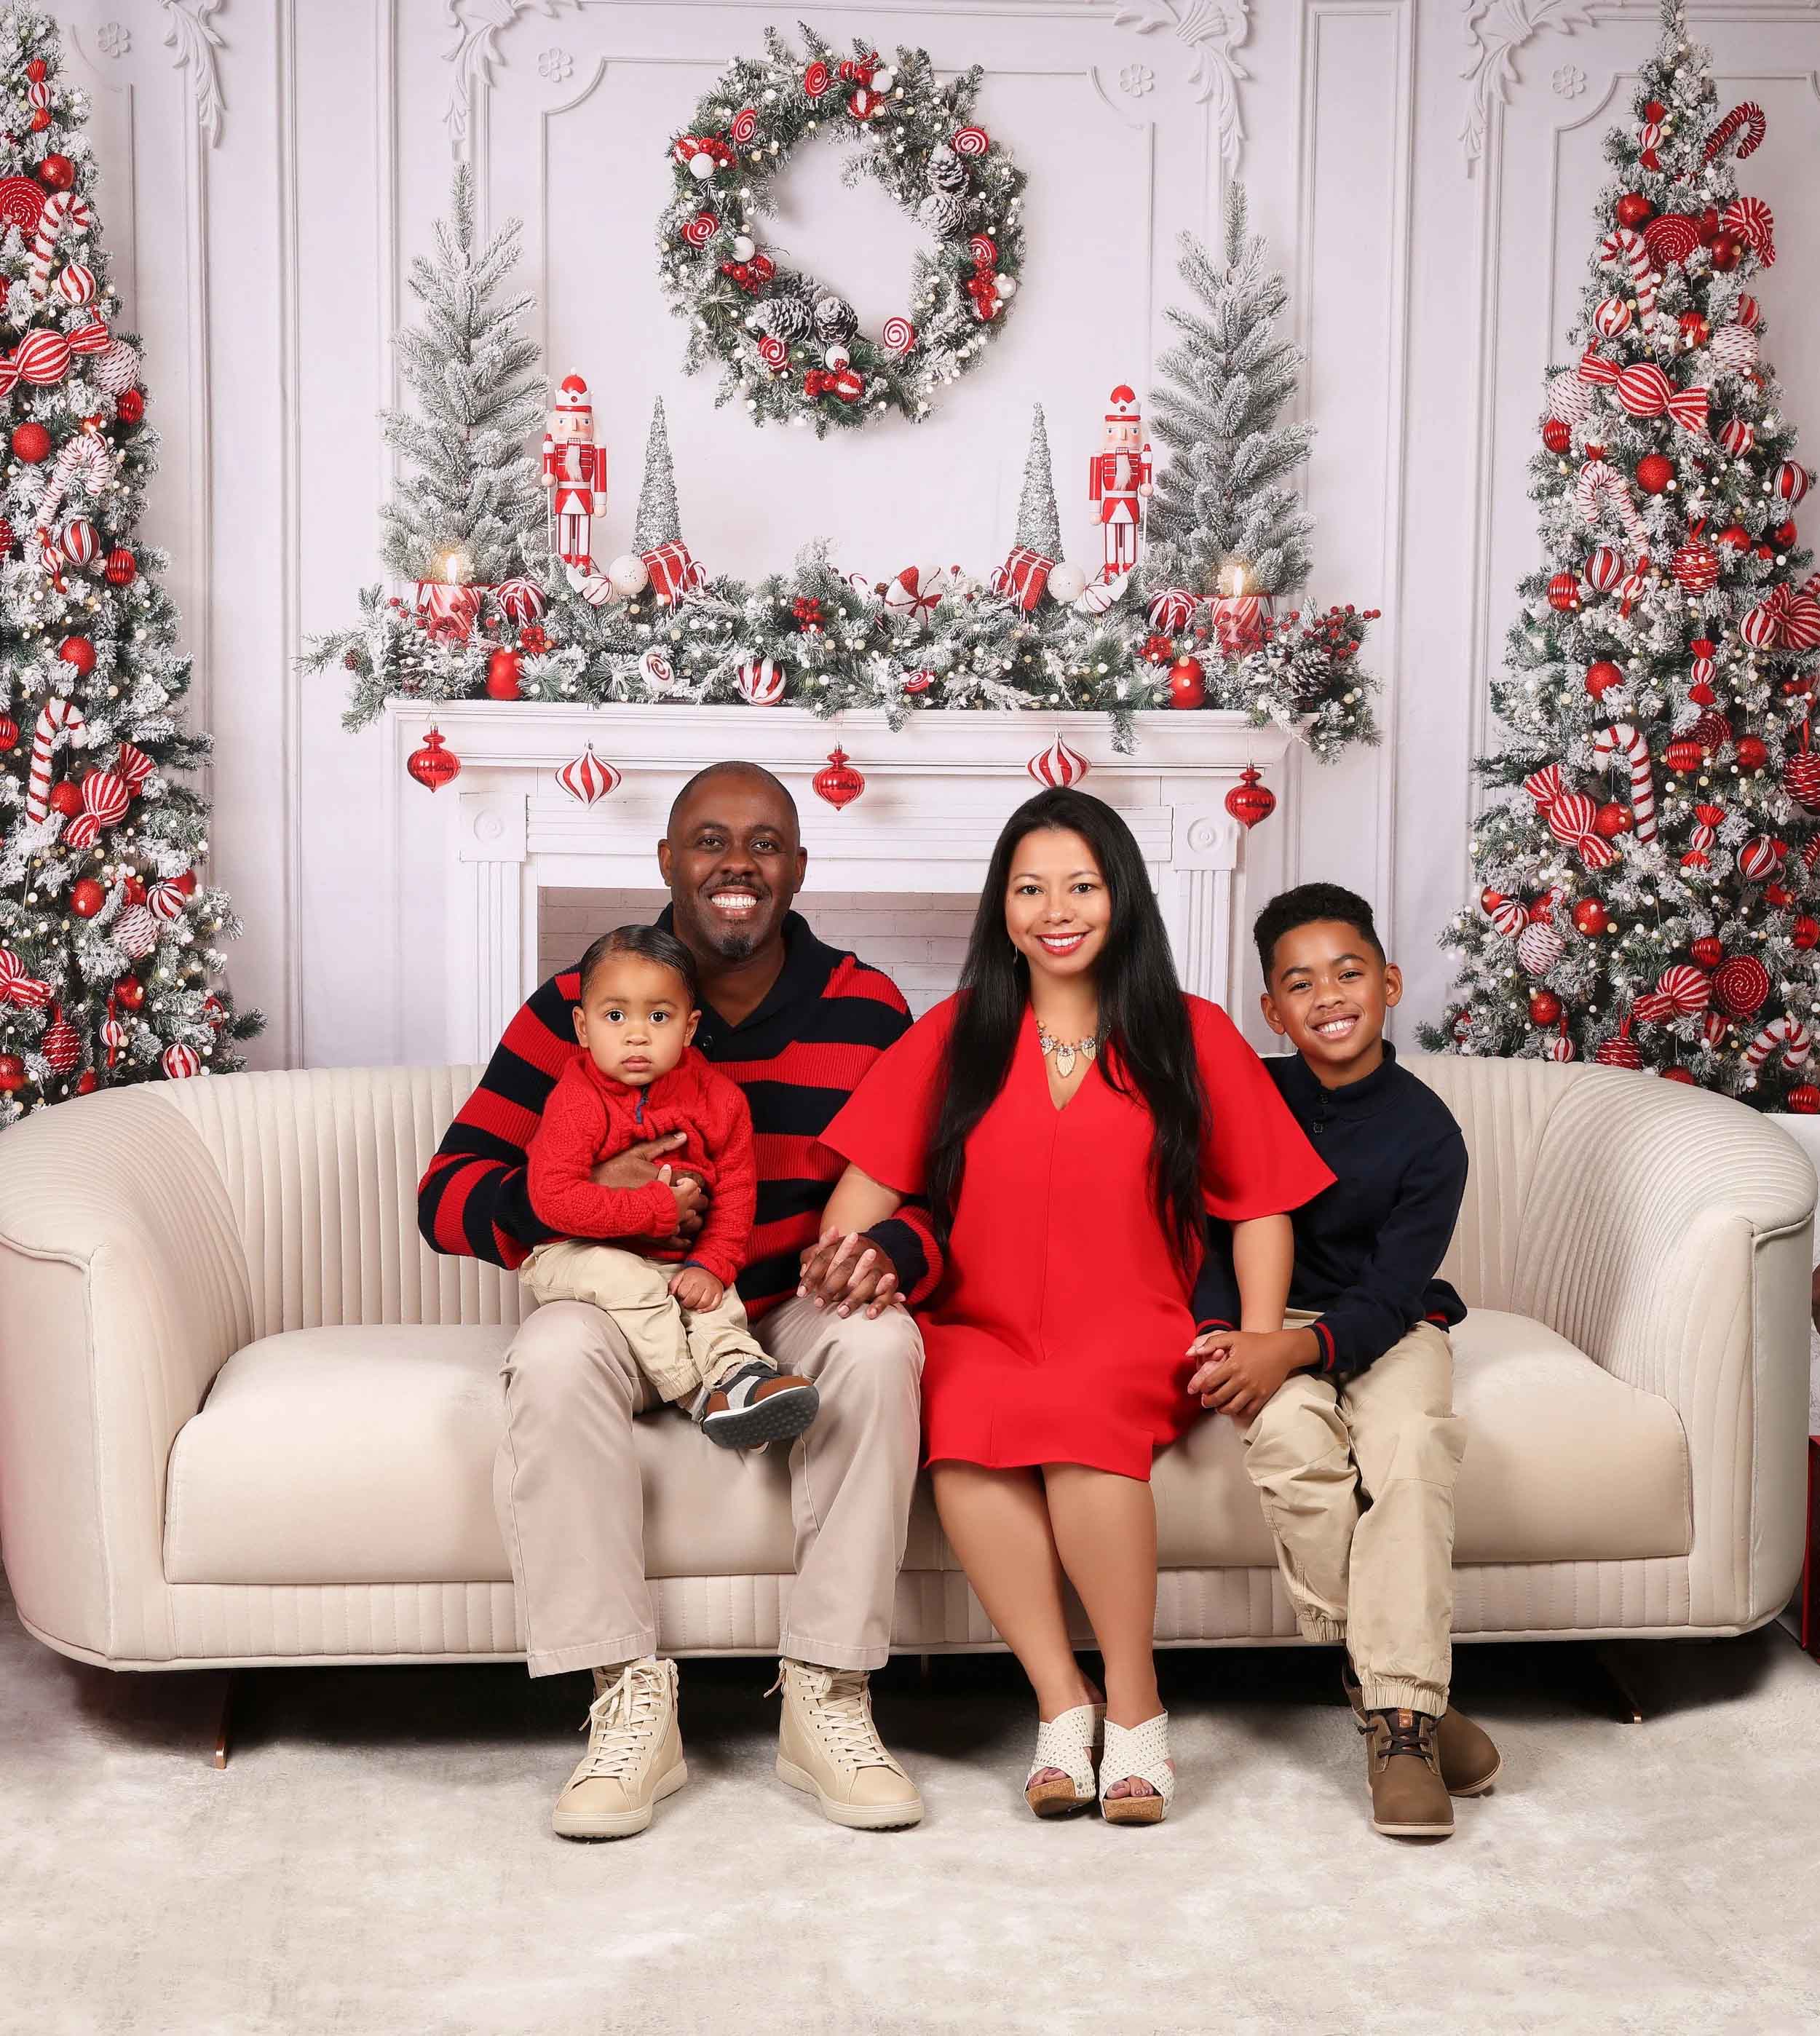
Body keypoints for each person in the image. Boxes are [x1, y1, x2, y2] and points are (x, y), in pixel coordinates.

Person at [420, 762, 937, 1841]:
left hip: (778, 1300)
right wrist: (579, 1202)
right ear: (666, 861)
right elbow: (447, 1191)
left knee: (882, 1347)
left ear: (798, 866)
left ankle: (827, 1695)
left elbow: (936, 1196)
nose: (735, 864)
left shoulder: (868, 1009)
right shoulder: (579, 1005)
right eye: (709, 839)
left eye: (762, 843)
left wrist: (890, 1249)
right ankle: (624, 1703)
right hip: (616, 1304)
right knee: (556, 1353)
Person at [813, 787, 1334, 1823]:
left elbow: (1263, 1203)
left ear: (1122, 898)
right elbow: (858, 1200)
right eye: (1031, 887)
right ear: (1001, 908)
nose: (1058, 909)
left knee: (1086, 1412)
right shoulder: (956, 1034)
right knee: (958, 1418)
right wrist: (850, 1262)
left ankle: (1137, 1707)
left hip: (1132, 1323)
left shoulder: (1190, 1033)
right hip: (981, 1322)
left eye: (1083, 885)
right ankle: (1063, 1702)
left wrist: (1265, 1338)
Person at [1187, 882, 1500, 1842]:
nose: (1328, 994)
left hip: (1390, 1329)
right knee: (1288, 1442)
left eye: (1349, 971)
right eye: (1300, 982)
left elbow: (1395, 1288)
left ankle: (1400, 1727)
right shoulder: (1249, 1100)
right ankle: (1404, 1685)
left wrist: (1299, 1346)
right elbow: (1203, 1230)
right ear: (1271, 1011)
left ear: (1390, 982)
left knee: (1409, 1452)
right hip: (1269, 1318)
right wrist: (1231, 1333)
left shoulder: (1428, 1133)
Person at [520, 922, 820, 1451]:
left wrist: (713, 1263)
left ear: (688, 1027)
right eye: (616, 1016)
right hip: (573, 1252)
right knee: (629, 1281)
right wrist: (657, 1207)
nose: (637, 1034)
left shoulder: (719, 1100)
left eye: (659, 1016)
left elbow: (735, 1194)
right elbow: (552, 1198)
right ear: (583, 1026)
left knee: (717, 1302)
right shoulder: (577, 1099)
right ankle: (698, 1395)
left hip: (672, 1258)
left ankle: (741, 1376)